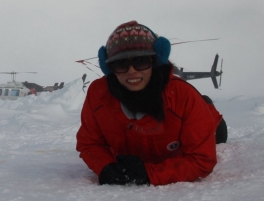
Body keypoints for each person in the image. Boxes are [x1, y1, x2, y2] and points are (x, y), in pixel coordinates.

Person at [76, 21, 225, 186]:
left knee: (215, 129)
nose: (132, 70)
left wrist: (150, 173)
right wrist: (104, 166)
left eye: (141, 61)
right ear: (110, 68)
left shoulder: (183, 95)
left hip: (207, 121)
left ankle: (208, 105)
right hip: (136, 149)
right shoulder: (98, 94)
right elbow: (89, 143)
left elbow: (201, 160)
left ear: (155, 62)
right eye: (121, 64)